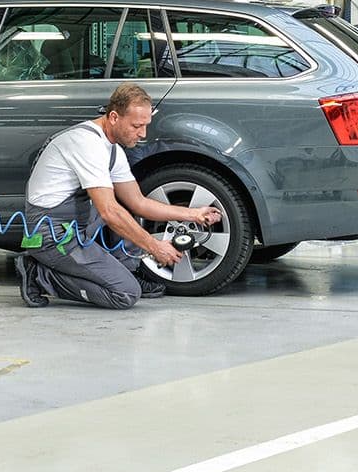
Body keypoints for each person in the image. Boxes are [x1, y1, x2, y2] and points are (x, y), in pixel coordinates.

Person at [15, 83, 222, 309]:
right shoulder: (88, 144)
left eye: (145, 125)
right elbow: (109, 211)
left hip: (77, 223)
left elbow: (139, 202)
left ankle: (128, 271)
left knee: (125, 211)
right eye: (136, 126)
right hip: (52, 234)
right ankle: (39, 275)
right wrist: (155, 247)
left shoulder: (112, 149)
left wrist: (194, 214)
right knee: (124, 294)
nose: (143, 134)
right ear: (114, 117)